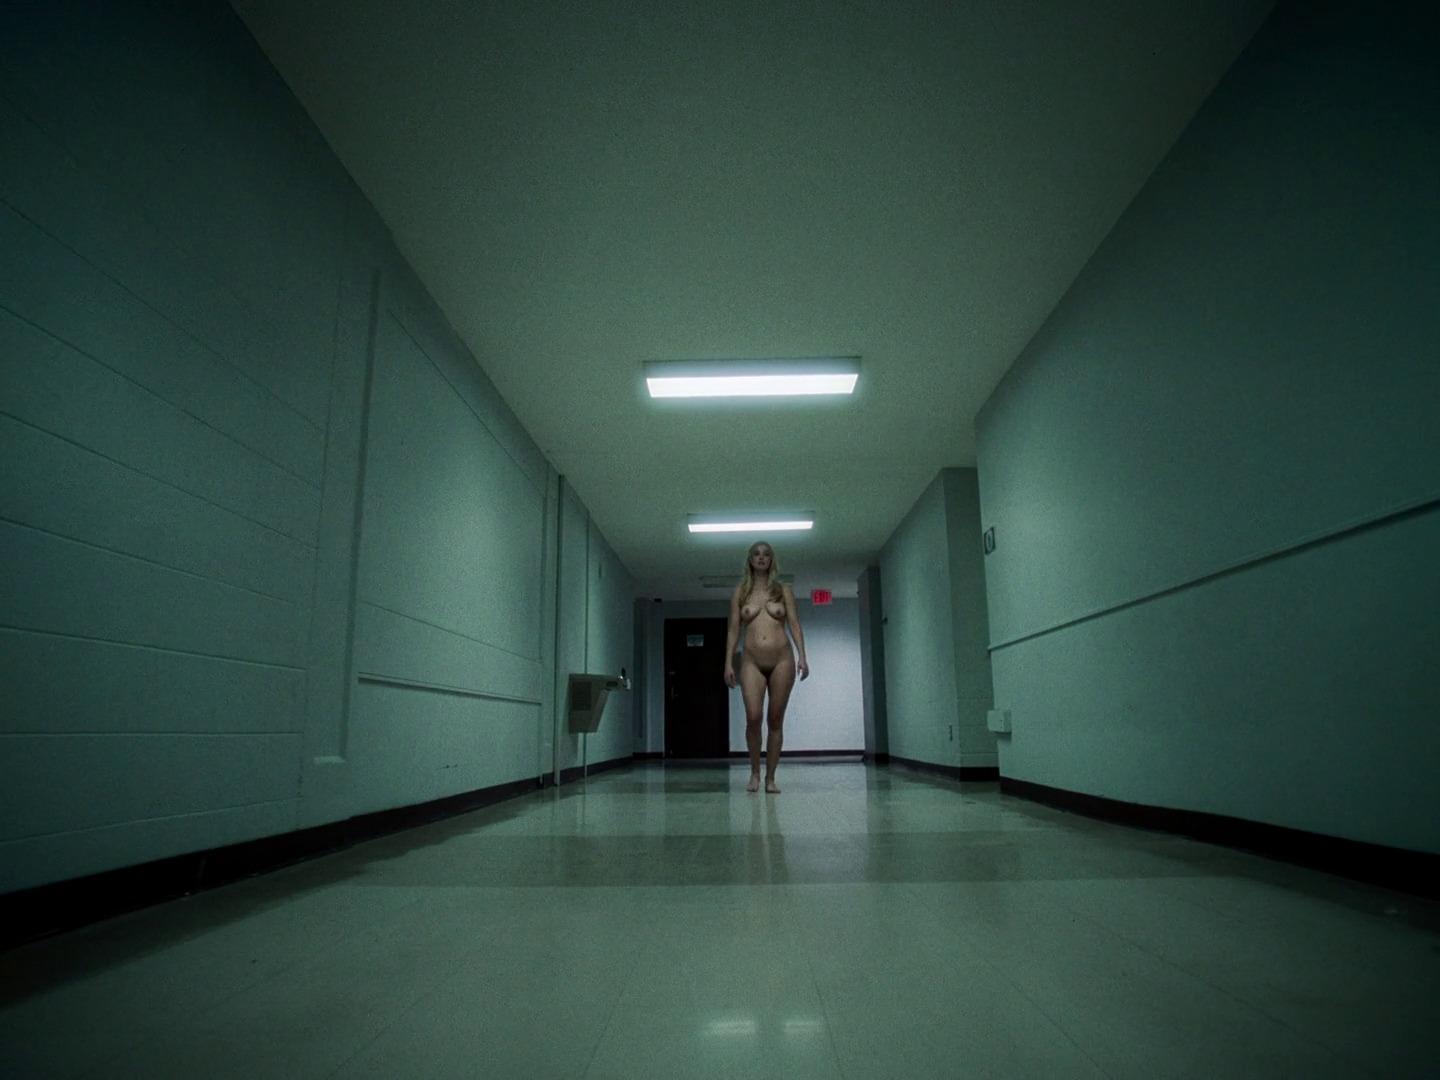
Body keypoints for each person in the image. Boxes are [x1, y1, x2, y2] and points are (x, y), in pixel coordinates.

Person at [723, 541, 809, 793]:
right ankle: (754, 773)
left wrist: (802, 656)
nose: (761, 558)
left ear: (772, 560)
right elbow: (733, 630)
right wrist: (727, 662)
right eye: (756, 554)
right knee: (753, 717)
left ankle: (771, 778)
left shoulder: (783, 590)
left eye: (766, 554)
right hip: (751, 661)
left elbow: (794, 624)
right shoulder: (741, 592)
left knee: (775, 718)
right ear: (750, 560)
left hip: (782, 659)